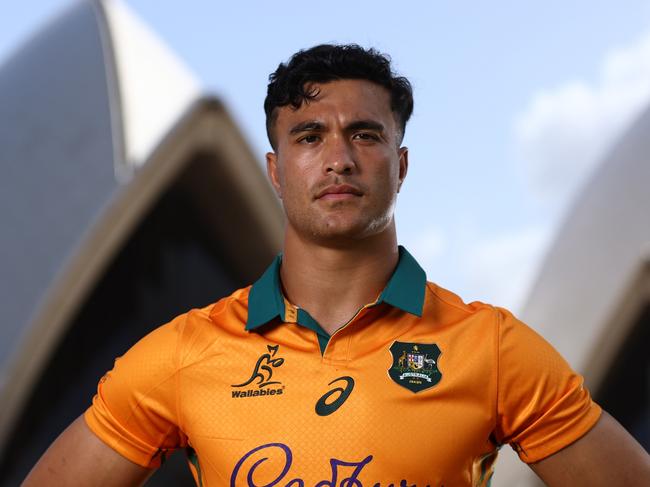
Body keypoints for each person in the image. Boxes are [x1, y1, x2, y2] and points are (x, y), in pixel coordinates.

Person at [23, 44, 650, 487]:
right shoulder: (185, 352)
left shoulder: (491, 348)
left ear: (400, 165)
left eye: (366, 134)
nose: (339, 158)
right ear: (275, 170)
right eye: (309, 135)